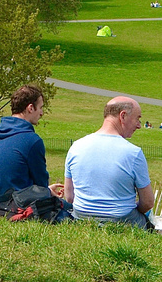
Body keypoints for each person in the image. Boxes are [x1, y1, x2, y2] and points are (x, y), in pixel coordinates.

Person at [64, 96, 154, 228]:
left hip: (81, 218)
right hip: (122, 221)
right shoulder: (133, 153)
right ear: (122, 116)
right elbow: (147, 202)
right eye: (137, 118)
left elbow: (70, 197)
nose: (139, 125)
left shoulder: (76, 147)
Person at [0, 84, 62, 205]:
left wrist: (47, 191)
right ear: (30, 108)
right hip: (18, 205)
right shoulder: (32, 141)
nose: (41, 113)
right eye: (40, 108)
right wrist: (47, 192)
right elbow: (40, 184)